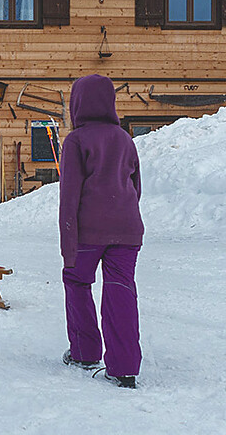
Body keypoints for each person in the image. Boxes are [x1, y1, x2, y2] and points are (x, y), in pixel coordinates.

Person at [58, 74, 143, 389]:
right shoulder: (124, 138)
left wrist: (68, 245)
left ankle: (84, 352)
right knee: (121, 289)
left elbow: (69, 197)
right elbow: (136, 187)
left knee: (77, 280)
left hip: (88, 233)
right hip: (127, 229)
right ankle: (124, 369)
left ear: (77, 102)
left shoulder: (76, 141)